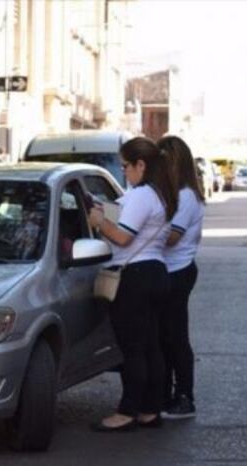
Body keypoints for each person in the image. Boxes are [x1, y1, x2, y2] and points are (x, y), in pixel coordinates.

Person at [87, 137, 177, 431]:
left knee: (132, 348)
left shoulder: (142, 195)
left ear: (141, 165)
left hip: (135, 278)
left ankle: (127, 412)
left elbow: (123, 237)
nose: (124, 172)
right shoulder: (161, 194)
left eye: (125, 166)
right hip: (156, 272)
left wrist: (99, 221)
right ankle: (150, 410)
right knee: (151, 346)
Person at [157, 136, 205, 420]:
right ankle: (166, 395)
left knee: (175, 337)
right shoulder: (175, 193)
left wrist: (140, 234)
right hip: (170, 270)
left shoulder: (186, 196)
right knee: (165, 337)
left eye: (163, 162)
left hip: (178, 271)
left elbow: (172, 237)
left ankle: (185, 397)